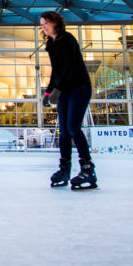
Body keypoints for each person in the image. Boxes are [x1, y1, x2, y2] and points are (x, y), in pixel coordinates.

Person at [40, 11, 97, 189]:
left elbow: (70, 68)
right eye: (41, 25)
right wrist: (48, 92)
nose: (43, 27)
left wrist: (58, 89)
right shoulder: (51, 43)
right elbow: (56, 71)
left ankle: (88, 169)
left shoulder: (67, 39)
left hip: (79, 87)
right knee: (64, 131)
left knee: (73, 127)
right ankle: (65, 168)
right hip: (64, 89)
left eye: (45, 23)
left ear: (55, 23)